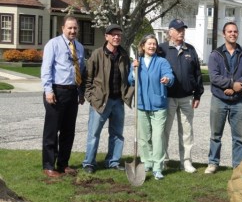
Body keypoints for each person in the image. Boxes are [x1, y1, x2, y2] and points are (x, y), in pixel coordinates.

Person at [82, 24, 134, 174]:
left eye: (119, 35)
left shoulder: (124, 56)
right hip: (100, 102)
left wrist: (128, 94)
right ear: (106, 37)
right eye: (113, 34)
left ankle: (113, 161)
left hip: (118, 101)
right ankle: (89, 163)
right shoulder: (97, 55)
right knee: (94, 134)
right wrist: (91, 98)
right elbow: (88, 79)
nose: (116, 37)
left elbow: (130, 78)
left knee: (117, 134)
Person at [205, 21, 242, 174]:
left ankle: (237, 166)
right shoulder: (215, 55)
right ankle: (213, 163)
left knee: (238, 136)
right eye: (229, 31)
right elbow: (214, 77)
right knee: (215, 135)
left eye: (235, 31)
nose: (233, 34)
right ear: (224, 34)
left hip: (238, 101)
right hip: (219, 100)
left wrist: (235, 89)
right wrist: (232, 84)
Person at [41, 15, 86, 178]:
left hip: (72, 92)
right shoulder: (53, 44)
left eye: (75, 28)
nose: (73, 31)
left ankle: (63, 164)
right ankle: (48, 165)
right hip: (56, 91)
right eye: (70, 28)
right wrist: (48, 91)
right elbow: (46, 69)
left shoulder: (79, 47)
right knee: (52, 130)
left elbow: (80, 71)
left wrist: (80, 93)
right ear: (63, 29)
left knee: (68, 131)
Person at [159, 19, 204, 173]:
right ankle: (163, 160)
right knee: (164, 130)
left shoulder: (190, 49)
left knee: (186, 131)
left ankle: (185, 162)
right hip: (168, 97)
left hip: (186, 97)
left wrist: (198, 95)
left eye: (183, 30)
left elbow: (197, 73)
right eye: (178, 30)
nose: (181, 33)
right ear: (170, 32)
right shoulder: (162, 49)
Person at [128, 34, 174, 180]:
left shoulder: (161, 62)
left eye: (154, 44)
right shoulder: (137, 62)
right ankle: (146, 162)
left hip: (159, 105)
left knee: (157, 136)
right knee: (144, 137)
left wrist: (167, 79)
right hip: (141, 105)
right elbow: (130, 80)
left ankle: (157, 167)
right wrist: (134, 70)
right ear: (143, 46)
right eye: (149, 44)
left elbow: (170, 76)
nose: (152, 46)